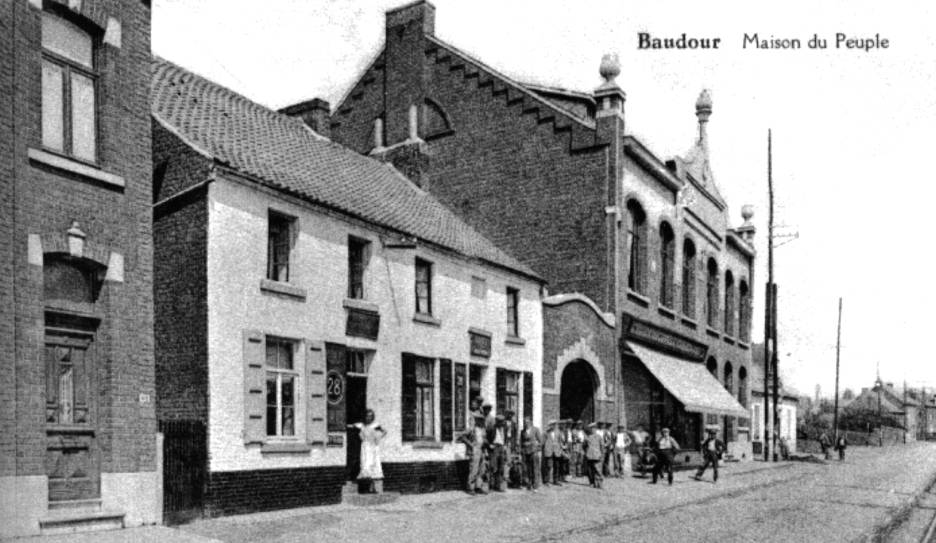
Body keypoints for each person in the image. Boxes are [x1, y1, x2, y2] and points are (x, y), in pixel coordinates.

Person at [348, 409, 387, 493]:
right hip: (365, 447)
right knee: (365, 465)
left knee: (372, 464)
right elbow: (352, 426)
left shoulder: (376, 425)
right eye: (367, 416)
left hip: (372, 447)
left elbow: (384, 431)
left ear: (373, 417)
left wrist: (378, 438)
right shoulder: (362, 425)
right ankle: (367, 488)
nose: (368, 418)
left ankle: (373, 488)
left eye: (370, 416)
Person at [459, 413, 488, 495]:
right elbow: (462, 437)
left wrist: (485, 444)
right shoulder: (471, 429)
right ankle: (470, 488)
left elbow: (484, 439)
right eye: (478, 419)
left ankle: (478, 487)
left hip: (482, 450)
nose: (480, 421)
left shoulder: (482, 430)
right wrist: (471, 445)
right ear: (476, 420)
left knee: (481, 469)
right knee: (474, 469)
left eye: (481, 419)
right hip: (475, 450)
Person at [487, 414, 508, 491]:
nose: (502, 424)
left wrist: (505, 445)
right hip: (495, 448)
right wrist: (489, 445)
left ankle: (499, 485)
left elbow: (506, 438)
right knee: (493, 467)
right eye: (500, 422)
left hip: (502, 448)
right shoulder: (492, 428)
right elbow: (486, 438)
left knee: (501, 467)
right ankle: (491, 486)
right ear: (497, 422)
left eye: (502, 422)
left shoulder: (505, 428)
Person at [521, 417, 543, 490]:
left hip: (533, 452)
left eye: (527, 422)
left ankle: (535, 485)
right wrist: (523, 445)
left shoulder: (535, 429)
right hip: (525, 452)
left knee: (535, 468)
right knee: (527, 469)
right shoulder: (522, 431)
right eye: (524, 422)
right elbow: (521, 442)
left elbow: (541, 442)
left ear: (530, 422)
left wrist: (534, 445)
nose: (526, 423)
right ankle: (529, 484)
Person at [583, 422, 604, 489]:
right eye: (591, 429)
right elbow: (584, 446)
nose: (593, 430)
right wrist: (586, 452)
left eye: (594, 429)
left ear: (596, 429)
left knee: (598, 470)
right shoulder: (587, 437)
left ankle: (599, 484)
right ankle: (592, 482)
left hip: (597, 456)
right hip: (589, 456)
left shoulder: (599, 437)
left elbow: (602, 447)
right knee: (590, 470)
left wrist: (602, 455)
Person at [542, 420, 563, 486]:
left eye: (554, 424)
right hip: (549, 451)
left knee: (556, 466)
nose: (553, 426)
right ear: (550, 425)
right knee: (548, 466)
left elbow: (560, 441)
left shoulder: (558, 432)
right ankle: (546, 481)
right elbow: (543, 442)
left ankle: (555, 480)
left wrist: (560, 449)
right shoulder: (546, 433)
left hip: (556, 451)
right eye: (552, 424)